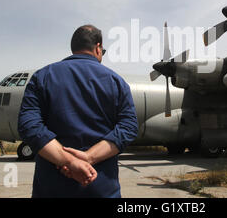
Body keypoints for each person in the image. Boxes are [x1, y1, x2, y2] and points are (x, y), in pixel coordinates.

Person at [18, 24, 139, 198]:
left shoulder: (42, 77)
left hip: (51, 191)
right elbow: (128, 128)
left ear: (73, 48)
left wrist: (69, 161)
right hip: (102, 190)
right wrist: (88, 158)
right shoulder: (117, 82)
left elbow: (29, 126)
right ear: (98, 47)